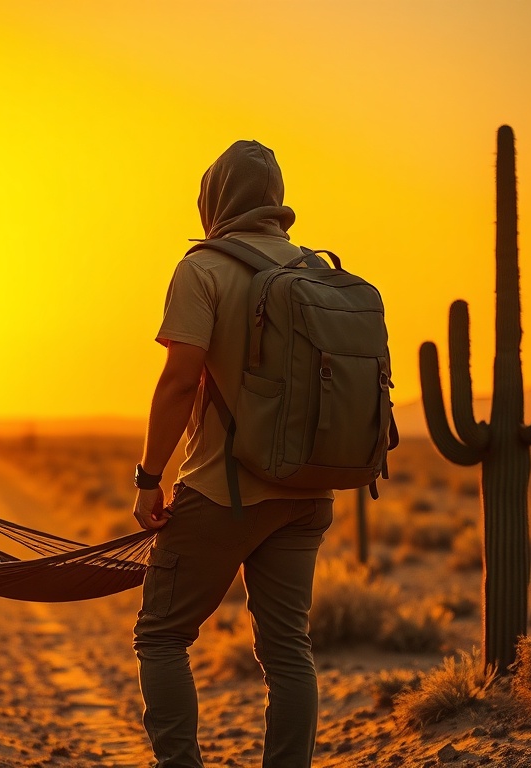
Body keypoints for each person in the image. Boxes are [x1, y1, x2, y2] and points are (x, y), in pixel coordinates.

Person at [132, 139, 334, 768]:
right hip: (307, 493)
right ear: (274, 198)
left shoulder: (204, 268)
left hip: (225, 491)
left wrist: (149, 478)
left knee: (162, 637)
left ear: (213, 198)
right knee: (287, 652)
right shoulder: (314, 269)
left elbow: (178, 380)